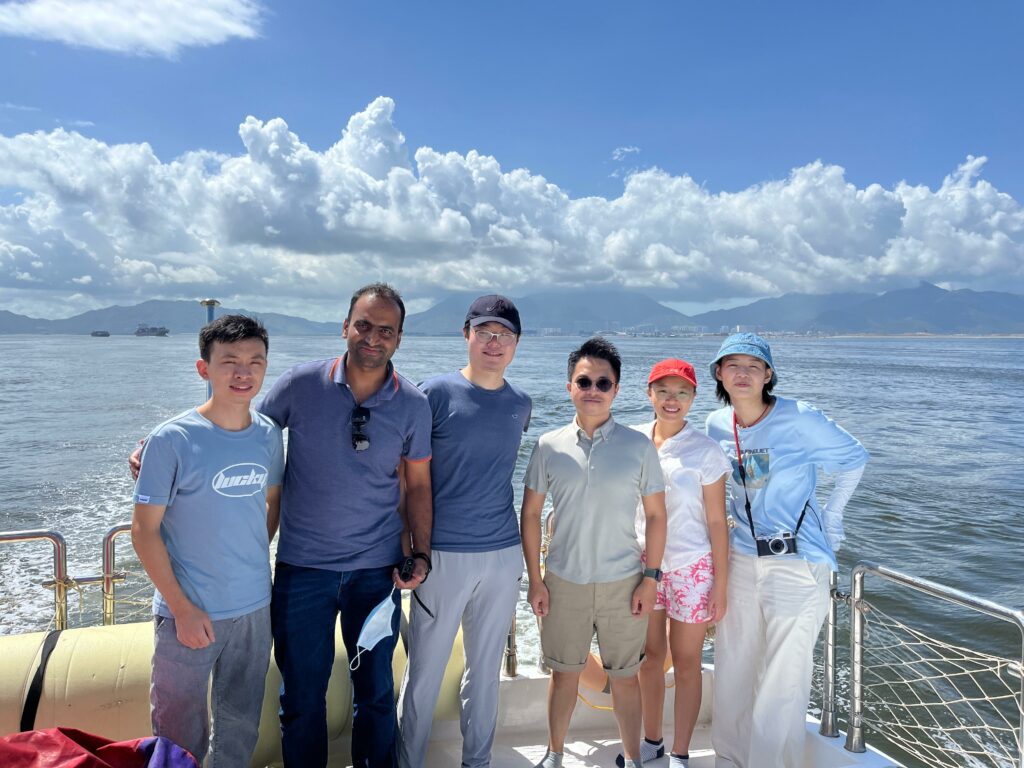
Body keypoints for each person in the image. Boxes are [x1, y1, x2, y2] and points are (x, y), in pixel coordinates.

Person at [260, 283, 433, 768]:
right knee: (300, 698)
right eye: (364, 325)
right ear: (345, 327)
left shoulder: (413, 404)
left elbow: (418, 487)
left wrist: (421, 553)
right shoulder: (300, 385)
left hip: (376, 576)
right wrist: (162, 443)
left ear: (399, 339)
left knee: (376, 694)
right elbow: (243, 433)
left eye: (386, 330)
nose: (372, 338)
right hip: (301, 572)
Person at [705, 333, 868, 768]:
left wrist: (832, 517)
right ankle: (729, 759)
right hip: (740, 559)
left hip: (797, 563)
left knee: (783, 679)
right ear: (719, 373)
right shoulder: (717, 425)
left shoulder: (800, 418)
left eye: (753, 366)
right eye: (732, 364)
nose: (742, 373)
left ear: (768, 375)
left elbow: (855, 458)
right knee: (733, 667)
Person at [131, 314, 284, 766]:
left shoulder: (269, 435)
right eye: (230, 362)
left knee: (240, 726)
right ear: (205, 369)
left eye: (255, 362)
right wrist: (181, 607)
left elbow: (271, 503)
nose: (243, 373)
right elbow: (144, 531)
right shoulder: (172, 439)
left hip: (255, 608)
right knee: (178, 734)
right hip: (189, 613)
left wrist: (249, 557)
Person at [397, 295, 532, 768]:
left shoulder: (521, 403)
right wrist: (408, 550)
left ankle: (478, 762)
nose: (494, 343)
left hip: (502, 555)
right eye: (485, 332)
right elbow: (404, 478)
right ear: (467, 335)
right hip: (442, 557)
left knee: (486, 673)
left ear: (516, 343)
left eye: (504, 335)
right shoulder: (431, 394)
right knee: (425, 674)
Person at [521, 337, 668, 768]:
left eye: (603, 382)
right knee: (563, 674)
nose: (593, 389)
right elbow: (530, 514)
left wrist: (651, 577)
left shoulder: (639, 447)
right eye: (584, 380)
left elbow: (657, 517)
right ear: (569, 385)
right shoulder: (548, 445)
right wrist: (535, 579)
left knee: (626, 679)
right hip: (564, 581)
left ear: (616, 390)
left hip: (624, 583)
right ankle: (554, 754)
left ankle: (632, 758)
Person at [626, 359, 732, 768]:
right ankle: (651, 742)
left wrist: (719, 586)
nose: (672, 400)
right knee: (649, 658)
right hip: (642, 563)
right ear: (649, 393)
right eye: (664, 391)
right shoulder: (633, 440)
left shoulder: (706, 452)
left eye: (682, 393)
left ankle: (681, 753)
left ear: (693, 398)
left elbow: (717, 521)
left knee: (686, 662)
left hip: (692, 567)